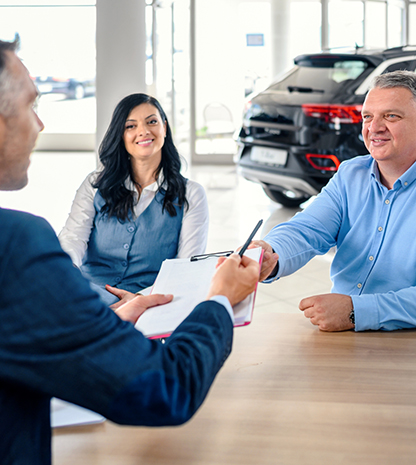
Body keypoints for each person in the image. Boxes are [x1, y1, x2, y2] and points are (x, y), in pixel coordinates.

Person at [0, 38, 260, 464]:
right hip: (98, 301)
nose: (41, 125)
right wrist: (220, 298)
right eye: (32, 105)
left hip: (142, 303)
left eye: (153, 122)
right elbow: (164, 389)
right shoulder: (19, 247)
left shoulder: (189, 194)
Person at [252, 70, 416, 332]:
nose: (374, 127)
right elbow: (307, 229)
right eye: (368, 117)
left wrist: (356, 311)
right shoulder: (351, 175)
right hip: (343, 335)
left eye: (391, 116)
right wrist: (272, 253)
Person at [58, 92, 209, 305]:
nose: (143, 131)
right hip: (90, 296)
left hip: (150, 302)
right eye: (131, 126)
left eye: (152, 122)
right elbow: (73, 238)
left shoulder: (192, 194)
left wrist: (140, 300)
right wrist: (63, 273)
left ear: (164, 127)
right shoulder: (95, 184)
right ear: (121, 134)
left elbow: (185, 268)